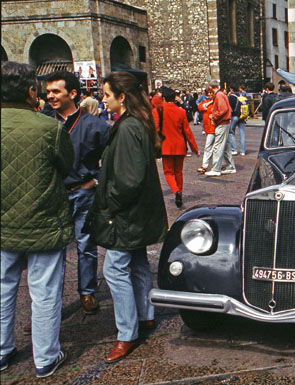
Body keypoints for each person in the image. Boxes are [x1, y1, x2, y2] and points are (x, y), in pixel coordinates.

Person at [87, 71, 168, 364]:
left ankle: (127, 333)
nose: (103, 99)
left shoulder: (128, 127)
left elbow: (129, 180)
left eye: (107, 94)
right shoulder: (136, 124)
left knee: (115, 270)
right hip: (137, 214)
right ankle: (145, 317)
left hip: (126, 214)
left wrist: (110, 203)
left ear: (122, 97)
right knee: (137, 263)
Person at [1, 61, 74, 378]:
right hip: (43, 221)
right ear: (31, 91)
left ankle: (2, 352)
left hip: (2, 225)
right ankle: (45, 357)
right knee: (44, 293)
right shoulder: (50, 128)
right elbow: (66, 166)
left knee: (2, 290)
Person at [43, 71, 110, 315]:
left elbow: (112, 161)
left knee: (86, 245)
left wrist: (95, 181)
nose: (50, 96)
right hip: (53, 195)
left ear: (72, 94)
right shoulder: (43, 122)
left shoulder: (95, 126)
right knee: (51, 251)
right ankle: (48, 304)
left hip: (82, 193)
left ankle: (87, 292)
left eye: (55, 91)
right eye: (48, 91)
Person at [152, 87, 199, 207]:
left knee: (168, 172)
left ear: (163, 98)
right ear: (175, 98)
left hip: (166, 145)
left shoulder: (157, 111)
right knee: (178, 172)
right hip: (180, 145)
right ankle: (180, 193)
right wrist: (195, 148)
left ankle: (176, 191)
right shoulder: (181, 111)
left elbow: (155, 129)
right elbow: (187, 131)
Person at [205, 79, 236, 177]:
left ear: (210, 87)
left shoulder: (218, 95)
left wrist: (214, 116)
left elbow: (224, 109)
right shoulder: (221, 94)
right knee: (225, 146)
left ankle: (216, 168)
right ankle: (230, 166)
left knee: (218, 146)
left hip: (222, 123)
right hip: (224, 122)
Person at [197, 87, 216, 174]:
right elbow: (200, 107)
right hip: (209, 128)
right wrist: (210, 102)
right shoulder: (207, 102)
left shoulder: (217, 102)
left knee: (210, 147)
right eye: (208, 93)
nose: (209, 95)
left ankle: (205, 165)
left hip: (215, 127)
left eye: (211, 93)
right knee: (212, 147)